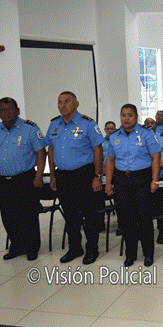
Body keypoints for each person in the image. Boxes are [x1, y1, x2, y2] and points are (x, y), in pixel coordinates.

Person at [46, 91, 105, 265]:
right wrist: (52, 174)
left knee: (89, 214)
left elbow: (98, 150)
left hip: (84, 174)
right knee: (70, 215)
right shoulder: (54, 124)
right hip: (63, 175)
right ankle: (75, 248)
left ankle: (92, 248)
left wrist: (97, 176)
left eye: (67, 101)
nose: (62, 105)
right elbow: (50, 149)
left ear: (76, 104)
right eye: (59, 102)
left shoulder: (87, 123)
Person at [0, 97, 46, 261]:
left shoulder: (29, 128)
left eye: (11, 109)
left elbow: (41, 153)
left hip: (24, 179)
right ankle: (17, 246)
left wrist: (39, 176)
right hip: (3, 181)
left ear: (17, 111)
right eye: (3, 110)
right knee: (8, 216)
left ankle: (32, 247)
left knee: (28, 215)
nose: (7, 113)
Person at [105, 104, 161, 267]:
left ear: (136, 117)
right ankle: (130, 254)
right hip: (122, 180)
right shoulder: (115, 136)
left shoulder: (146, 133)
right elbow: (110, 161)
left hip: (142, 179)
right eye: (123, 115)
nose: (126, 118)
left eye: (130, 115)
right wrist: (108, 183)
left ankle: (148, 253)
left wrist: (155, 180)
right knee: (126, 218)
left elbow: (156, 157)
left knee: (144, 218)